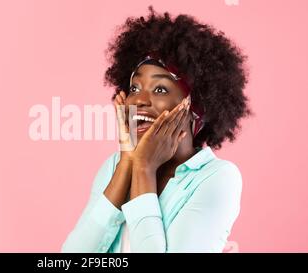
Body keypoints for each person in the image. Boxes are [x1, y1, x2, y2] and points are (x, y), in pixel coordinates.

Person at [62, 7, 250, 253]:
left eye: (160, 89)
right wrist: (127, 165)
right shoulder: (114, 167)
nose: (139, 100)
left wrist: (143, 169)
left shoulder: (217, 178)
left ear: (196, 107)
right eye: (135, 88)